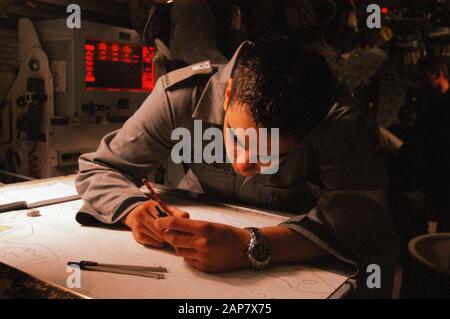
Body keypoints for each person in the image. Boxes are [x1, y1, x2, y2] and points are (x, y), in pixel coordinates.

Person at [76, 39, 393, 275]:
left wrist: (252, 246)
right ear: (227, 96)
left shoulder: (336, 120)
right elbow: (101, 167)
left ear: (307, 135)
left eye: (268, 155)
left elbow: (365, 215)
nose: (243, 165)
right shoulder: (183, 96)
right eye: (237, 138)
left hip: (291, 244)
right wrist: (133, 210)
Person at [417, 57, 450, 232]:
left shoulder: (439, 108)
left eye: (423, 78)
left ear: (438, 75)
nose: (420, 84)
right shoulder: (431, 107)